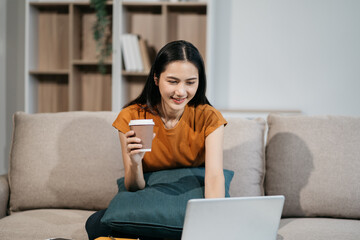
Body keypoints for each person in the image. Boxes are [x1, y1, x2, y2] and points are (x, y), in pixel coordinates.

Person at [85, 40, 227, 240]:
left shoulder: (209, 117)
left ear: (199, 82)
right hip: (147, 205)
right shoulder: (131, 116)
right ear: (156, 78)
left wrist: (211, 225)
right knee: (97, 224)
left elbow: (213, 178)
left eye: (190, 82)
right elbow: (133, 186)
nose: (181, 92)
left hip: (186, 207)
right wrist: (135, 163)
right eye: (173, 81)